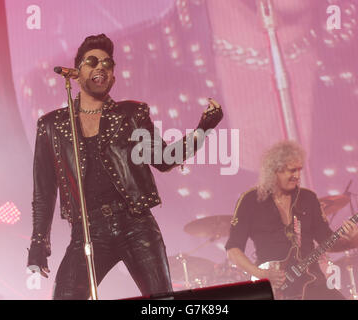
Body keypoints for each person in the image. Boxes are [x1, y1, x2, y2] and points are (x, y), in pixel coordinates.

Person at [27, 34, 223, 299]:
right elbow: (44, 190)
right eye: (92, 61)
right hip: (88, 230)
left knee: (161, 304)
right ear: (76, 72)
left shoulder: (131, 114)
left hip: (136, 224)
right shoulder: (52, 126)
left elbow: (165, 159)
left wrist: (204, 128)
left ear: (113, 76)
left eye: (107, 64)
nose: (101, 67)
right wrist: (40, 242)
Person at [225, 140, 358, 300]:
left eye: (299, 170)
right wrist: (262, 274)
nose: (296, 176)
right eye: (291, 171)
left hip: (313, 282)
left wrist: (353, 239)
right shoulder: (251, 200)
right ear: (274, 171)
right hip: (276, 287)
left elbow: (327, 241)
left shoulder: (308, 199)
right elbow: (233, 249)